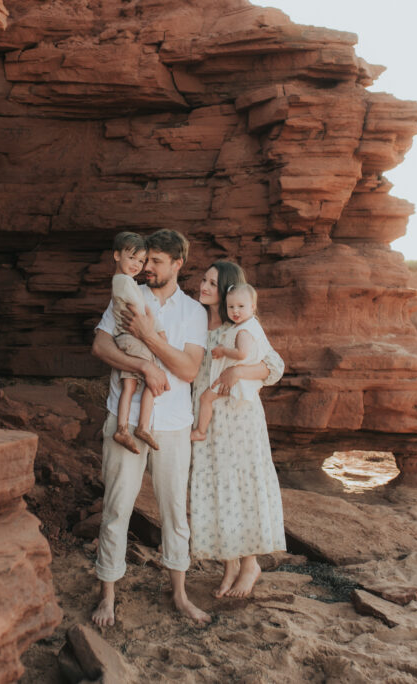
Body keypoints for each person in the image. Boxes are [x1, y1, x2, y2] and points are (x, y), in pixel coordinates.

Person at [90, 229, 211, 627]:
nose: (147, 268)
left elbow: (189, 369)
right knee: (115, 510)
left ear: (178, 264)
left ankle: (179, 593)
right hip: (122, 419)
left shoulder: (194, 312)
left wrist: (146, 338)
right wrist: (141, 365)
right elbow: (101, 346)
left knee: (175, 512)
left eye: (157, 261)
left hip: (174, 425)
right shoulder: (129, 295)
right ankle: (107, 594)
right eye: (146, 260)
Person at [189, 262, 287, 598]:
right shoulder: (195, 322)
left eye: (212, 283)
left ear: (228, 289)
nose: (203, 286)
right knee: (217, 486)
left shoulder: (242, 326)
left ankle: (250, 565)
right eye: (203, 279)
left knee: (242, 484)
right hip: (207, 415)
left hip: (239, 418)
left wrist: (237, 374)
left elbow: (274, 366)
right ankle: (229, 563)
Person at [107, 231, 165, 454]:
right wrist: (155, 329)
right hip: (133, 339)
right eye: (132, 258)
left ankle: (122, 428)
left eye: (141, 260)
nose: (137, 264)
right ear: (116, 256)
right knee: (154, 378)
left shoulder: (122, 282)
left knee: (129, 386)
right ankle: (143, 426)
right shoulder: (124, 282)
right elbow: (138, 312)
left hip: (124, 339)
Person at [191, 283, 272, 442]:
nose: (235, 311)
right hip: (241, 378)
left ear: (253, 306)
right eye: (231, 306)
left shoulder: (242, 331)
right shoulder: (252, 325)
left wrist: (222, 350)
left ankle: (200, 431)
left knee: (205, 398)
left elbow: (241, 353)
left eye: (241, 306)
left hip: (232, 379)